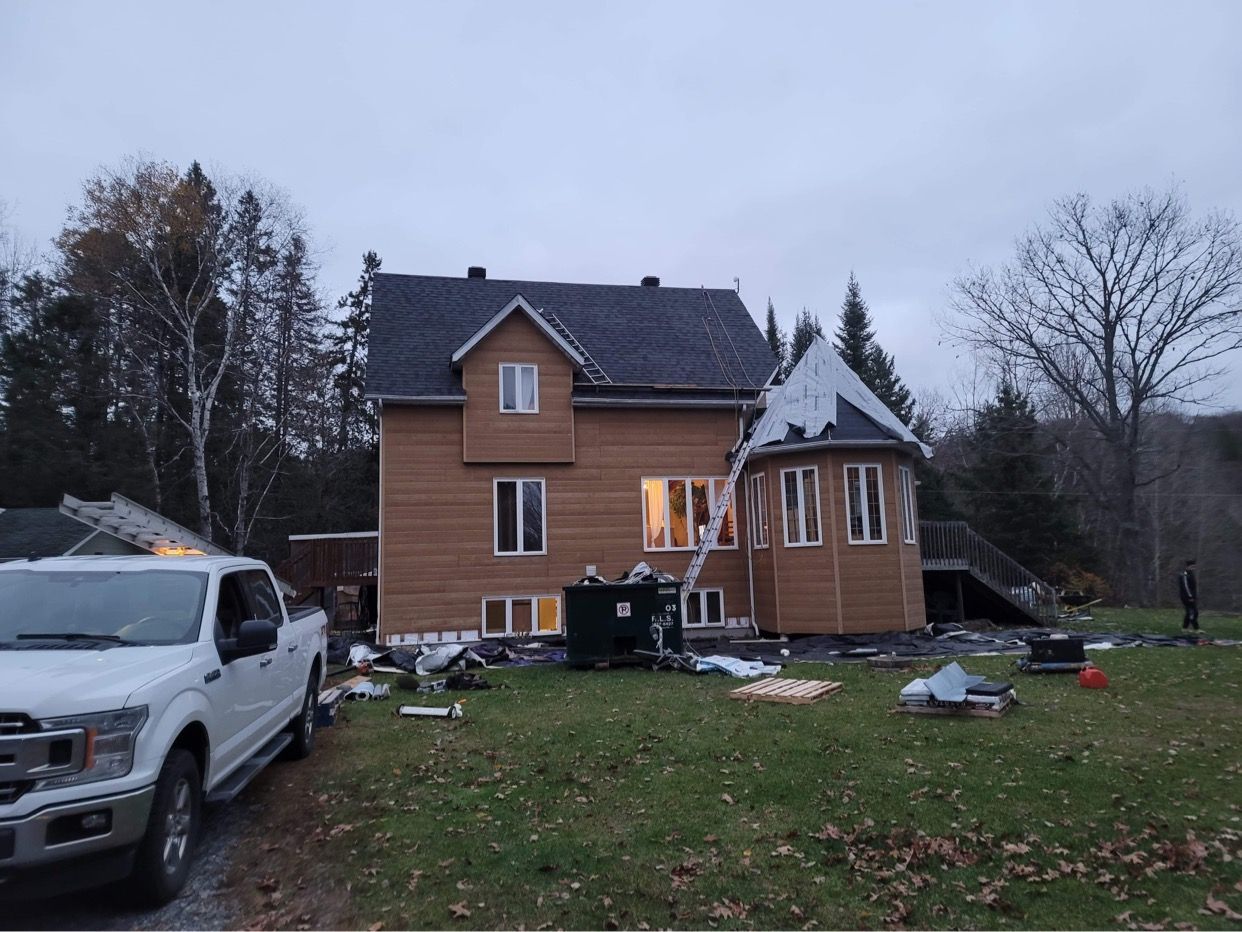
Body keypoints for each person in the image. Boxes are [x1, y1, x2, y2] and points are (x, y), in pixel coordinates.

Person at [1179, 559, 1199, 632]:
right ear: (1188, 566)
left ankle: (1185, 628)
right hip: (1186, 597)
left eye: (1194, 567)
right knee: (1193, 612)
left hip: (1191, 596)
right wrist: (1190, 596)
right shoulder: (1184, 575)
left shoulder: (1191, 574)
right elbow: (1186, 586)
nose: (1193, 568)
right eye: (1192, 567)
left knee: (1190, 612)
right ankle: (1196, 628)